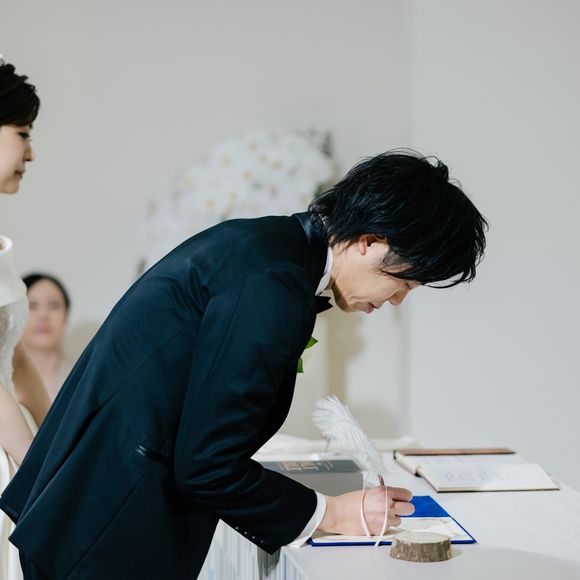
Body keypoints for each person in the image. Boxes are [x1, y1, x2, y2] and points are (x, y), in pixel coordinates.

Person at [1, 149, 487, 580]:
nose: (398, 299)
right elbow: (206, 466)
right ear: (370, 240)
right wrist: (333, 514)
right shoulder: (274, 285)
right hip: (104, 532)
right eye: (405, 281)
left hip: (88, 510)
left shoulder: (271, 248)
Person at [0, 56, 50, 580]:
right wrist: (38, 479)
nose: (31, 153)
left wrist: (56, 443)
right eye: (22, 134)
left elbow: (10, 357)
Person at [21, 274, 73, 401]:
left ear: (66, 315)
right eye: (32, 305)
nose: (43, 315)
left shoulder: (85, 376)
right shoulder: (4, 383)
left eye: (53, 305)